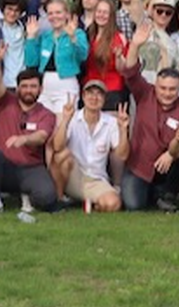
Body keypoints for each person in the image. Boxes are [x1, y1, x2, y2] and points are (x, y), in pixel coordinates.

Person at [119, 23, 179, 211]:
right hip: (140, 164)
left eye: (172, 89)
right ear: (155, 85)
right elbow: (130, 73)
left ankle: (167, 193)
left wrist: (171, 153)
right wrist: (135, 45)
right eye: (163, 88)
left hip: (169, 166)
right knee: (133, 205)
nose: (167, 93)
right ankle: (153, 194)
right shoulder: (144, 93)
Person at [0, 47, 60, 216]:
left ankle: (26, 195)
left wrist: (25, 139)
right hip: (6, 168)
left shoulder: (47, 114)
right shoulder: (5, 102)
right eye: (24, 86)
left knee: (47, 198)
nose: (28, 90)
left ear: (40, 89)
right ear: (17, 88)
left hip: (31, 168)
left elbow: (42, 136)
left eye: (33, 86)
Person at [52, 80, 130, 212]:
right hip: (73, 177)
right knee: (62, 156)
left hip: (96, 179)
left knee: (114, 203)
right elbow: (57, 147)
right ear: (83, 96)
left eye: (99, 94)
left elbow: (122, 155)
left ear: (104, 99)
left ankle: (90, 204)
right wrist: (65, 120)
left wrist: (123, 130)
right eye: (90, 93)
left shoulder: (111, 122)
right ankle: (59, 199)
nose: (94, 98)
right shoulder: (72, 118)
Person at [25, 0, 89, 113]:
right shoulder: (45, 36)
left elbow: (83, 56)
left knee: (63, 121)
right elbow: (31, 62)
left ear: (67, 14)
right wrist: (31, 37)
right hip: (45, 87)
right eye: (50, 13)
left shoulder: (77, 33)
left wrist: (73, 38)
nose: (54, 16)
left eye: (58, 12)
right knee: (44, 121)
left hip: (66, 85)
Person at [83, 0, 129, 110]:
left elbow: (122, 69)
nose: (101, 15)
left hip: (111, 90)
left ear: (111, 16)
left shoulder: (118, 37)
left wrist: (119, 56)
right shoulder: (89, 35)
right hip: (90, 88)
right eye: (99, 11)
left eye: (105, 12)